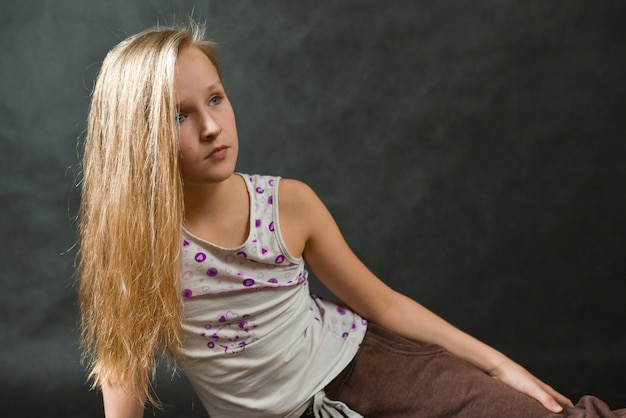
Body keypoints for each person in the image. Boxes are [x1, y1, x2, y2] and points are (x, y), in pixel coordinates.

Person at [77, 21, 625, 418]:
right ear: (136, 139)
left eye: (216, 99)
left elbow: (382, 303)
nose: (212, 127)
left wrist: (499, 366)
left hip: (368, 368)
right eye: (180, 115)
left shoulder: (287, 204)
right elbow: (123, 373)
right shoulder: (136, 248)